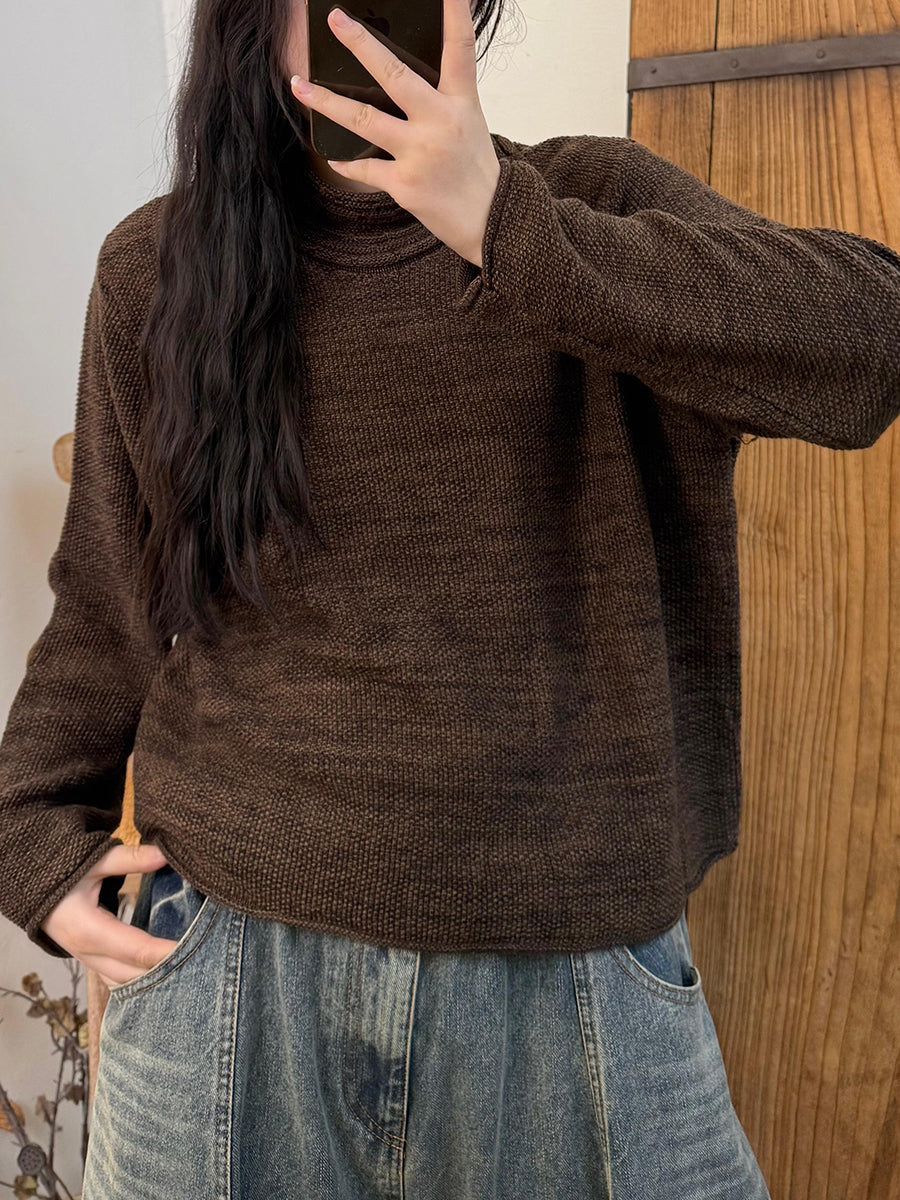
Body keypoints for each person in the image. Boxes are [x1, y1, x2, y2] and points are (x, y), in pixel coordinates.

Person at [2, 0, 899, 1195]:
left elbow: (870, 341)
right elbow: (106, 602)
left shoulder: (589, 205)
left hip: (571, 980)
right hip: (228, 974)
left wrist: (503, 227)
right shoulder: (158, 270)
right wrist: (28, 835)